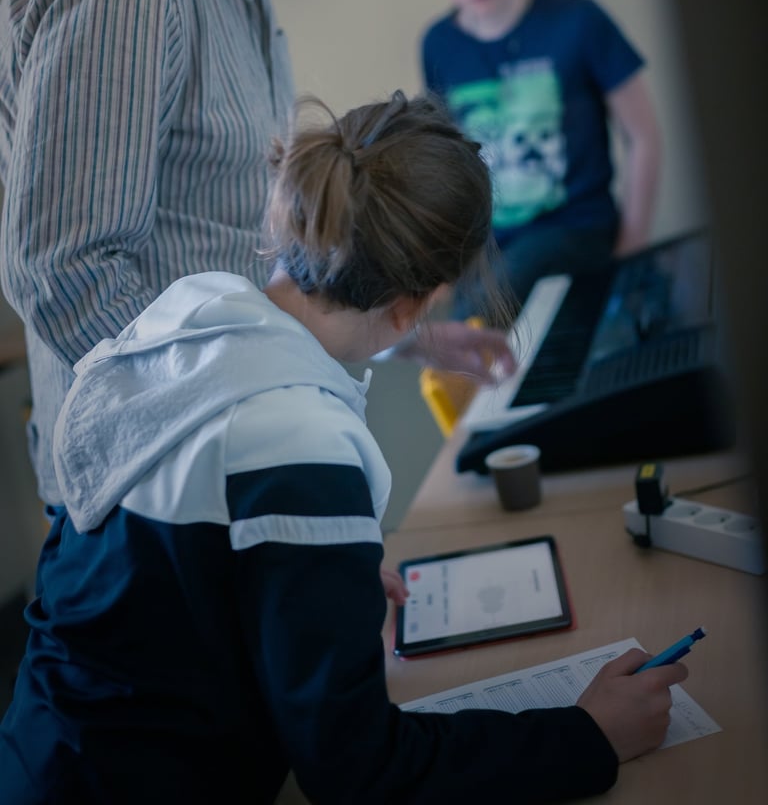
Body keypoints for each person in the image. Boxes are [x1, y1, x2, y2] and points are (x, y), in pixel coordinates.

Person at [0, 90, 687, 804]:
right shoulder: (299, 444)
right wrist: (586, 737)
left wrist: (303, 586)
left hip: (43, 748)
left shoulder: (194, 315)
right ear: (421, 298)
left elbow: (170, 577)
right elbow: (360, 772)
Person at [0, 0, 513, 508]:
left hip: (220, 484)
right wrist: (272, 442)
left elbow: (237, 252)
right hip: (167, 507)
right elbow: (67, 274)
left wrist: (395, 333)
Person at [420, 0, 662, 313]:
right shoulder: (438, 45)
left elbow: (643, 135)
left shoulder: (580, 22)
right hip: (492, 244)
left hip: (577, 228)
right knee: (452, 319)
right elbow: (448, 164)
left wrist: (632, 248)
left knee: (494, 301)